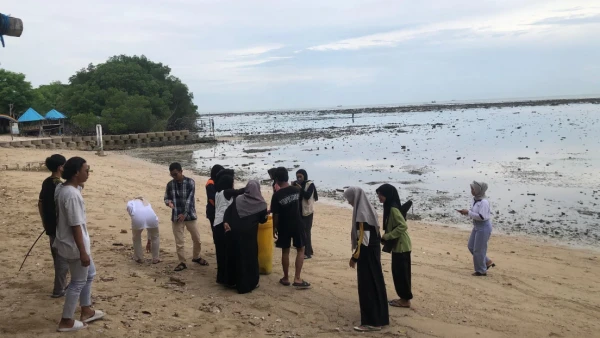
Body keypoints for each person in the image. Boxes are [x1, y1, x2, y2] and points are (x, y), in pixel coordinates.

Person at [54, 157, 104, 332]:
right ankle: (66, 320)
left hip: (68, 243)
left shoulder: (62, 188)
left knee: (90, 273)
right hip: (74, 245)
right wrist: (83, 252)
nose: (88, 173)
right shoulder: (72, 195)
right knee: (77, 282)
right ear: (76, 172)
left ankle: (86, 309)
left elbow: (77, 186)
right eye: (85, 170)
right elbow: (75, 225)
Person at [344, 187, 389, 332]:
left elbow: (363, 240)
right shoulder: (369, 209)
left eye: (350, 199)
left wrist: (354, 258)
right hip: (373, 252)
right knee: (376, 282)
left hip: (367, 254)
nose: (349, 202)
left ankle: (372, 321)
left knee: (367, 286)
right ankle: (381, 317)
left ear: (355, 198)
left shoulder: (361, 215)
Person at [223, 180, 268, 293]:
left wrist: (226, 222)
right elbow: (263, 220)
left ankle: (232, 281)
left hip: (234, 233)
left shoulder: (238, 199)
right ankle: (247, 284)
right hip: (249, 236)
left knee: (236, 256)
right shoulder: (262, 204)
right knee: (249, 259)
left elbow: (228, 212)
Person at [271, 167, 310, 289]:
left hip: (284, 225)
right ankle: (297, 278)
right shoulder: (296, 190)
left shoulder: (277, 196)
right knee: (300, 249)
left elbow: (275, 215)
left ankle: (286, 277)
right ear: (287, 177)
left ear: (276, 179)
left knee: (285, 251)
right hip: (298, 223)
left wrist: (274, 228)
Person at [164, 162, 208, 271]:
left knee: (197, 239)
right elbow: (166, 197)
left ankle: (196, 257)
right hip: (176, 216)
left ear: (181, 171)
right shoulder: (170, 184)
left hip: (190, 216)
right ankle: (182, 262)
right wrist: (169, 203)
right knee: (179, 242)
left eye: (175, 174)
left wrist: (184, 214)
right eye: (172, 175)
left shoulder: (190, 182)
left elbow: (190, 201)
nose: (174, 177)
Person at [376, 184, 413, 308]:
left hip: (401, 245)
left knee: (401, 274)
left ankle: (405, 300)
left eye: (381, 195)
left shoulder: (393, 209)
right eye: (378, 195)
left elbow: (403, 226)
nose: (379, 197)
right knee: (399, 273)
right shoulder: (390, 207)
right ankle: (403, 298)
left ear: (387, 195)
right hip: (399, 245)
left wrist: (387, 236)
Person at [38, 154, 69, 298]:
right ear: (60, 167)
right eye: (65, 164)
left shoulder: (46, 181)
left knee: (57, 256)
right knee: (61, 259)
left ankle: (61, 286)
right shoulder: (59, 185)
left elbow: (40, 203)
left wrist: (45, 221)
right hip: (59, 227)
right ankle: (58, 290)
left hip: (50, 225)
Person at [213, 173, 245, 285]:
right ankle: (229, 280)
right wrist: (252, 186)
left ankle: (221, 278)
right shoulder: (227, 192)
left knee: (221, 253)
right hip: (223, 223)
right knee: (228, 252)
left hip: (217, 224)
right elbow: (241, 191)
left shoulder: (218, 193)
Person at [458, 181, 495, 276]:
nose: (472, 191)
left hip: (483, 227)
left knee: (479, 250)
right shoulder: (475, 199)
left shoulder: (484, 202)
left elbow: (482, 217)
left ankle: (481, 270)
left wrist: (468, 213)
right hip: (477, 225)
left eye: (473, 189)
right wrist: (466, 212)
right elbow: (474, 213)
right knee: (471, 246)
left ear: (479, 190)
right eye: (471, 189)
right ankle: (487, 261)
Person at [126, 197, 160, 264]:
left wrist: (134, 217)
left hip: (137, 218)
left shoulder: (131, 202)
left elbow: (129, 209)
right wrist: (149, 241)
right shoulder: (147, 203)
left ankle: (139, 258)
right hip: (152, 218)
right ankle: (156, 258)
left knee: (136, 237)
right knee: (155, 236)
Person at [294, 169, 318, 259]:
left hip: (308, 211)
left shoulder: (309, 184)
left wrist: (300, 189)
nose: (299, 178)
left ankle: (307, 253)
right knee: (302, 231)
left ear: (305, 176)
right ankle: (308, 250)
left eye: (300, 176)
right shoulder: (297, 184)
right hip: (299, 211)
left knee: (306, 232)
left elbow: (307, 195)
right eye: (297, 177)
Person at [205, 164, 224, 229]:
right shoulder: (210, 183)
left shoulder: (216, 181)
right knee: (216, 231)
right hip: (213, 212)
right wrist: (218, 208)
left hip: (218, 211)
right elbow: (211, 199)